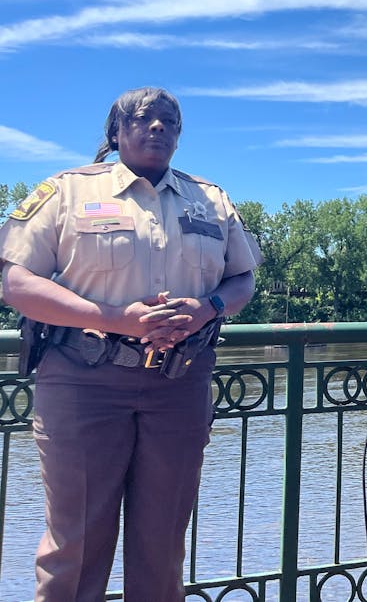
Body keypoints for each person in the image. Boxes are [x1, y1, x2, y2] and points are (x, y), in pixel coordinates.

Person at [0, 87, 262, 602]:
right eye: (144, 119)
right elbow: (16, 282)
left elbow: (242, 279)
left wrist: (208, 307)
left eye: (170, 121)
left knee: (163, 543)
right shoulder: (67, 191)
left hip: (179, 383)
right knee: (75, 544)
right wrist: (119, 319)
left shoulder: (210, 199)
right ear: (116, 133)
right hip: (83, 381)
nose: (158, 128)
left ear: (180, 136)